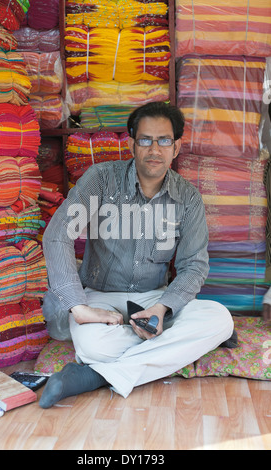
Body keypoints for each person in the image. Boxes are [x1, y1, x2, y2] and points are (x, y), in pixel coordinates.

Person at [39, 101, 234, 408]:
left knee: (220, 319)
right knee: (93, 345)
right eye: (145, 140)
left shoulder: (188, 198)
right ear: (132, 144)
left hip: (152, 300)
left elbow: (194, 266)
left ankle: (97, 377)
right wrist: (78, 308)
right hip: (100, 298)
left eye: (164, 140)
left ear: (177, 146)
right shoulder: (100, 180)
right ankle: (174, 347)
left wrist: (162, 309)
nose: (154, 149)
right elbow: (57, 235)